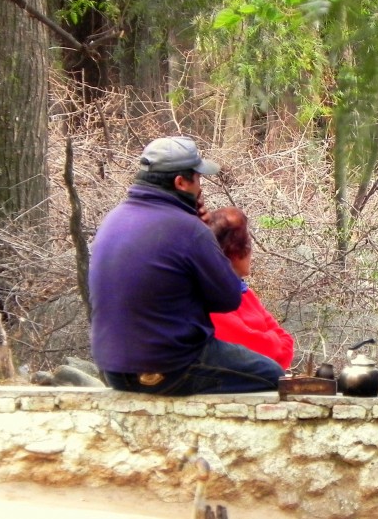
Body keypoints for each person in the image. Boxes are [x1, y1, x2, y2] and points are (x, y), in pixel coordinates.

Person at [89, 136, 284, 395]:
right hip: (171, 368)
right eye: (198, 178)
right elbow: (227, 298)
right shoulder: (188, 229)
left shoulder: (114, 219)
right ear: (181, 182)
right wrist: (204, 233)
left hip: (114, 370)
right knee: (274, 375)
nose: (200, 186)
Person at [208, 207, 294, 370]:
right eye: (247, 244)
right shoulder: (212, 297)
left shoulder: (246, 293)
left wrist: (266, 342)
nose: (250, 252)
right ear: (233, 251)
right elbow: (248, 347)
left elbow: (287, 343)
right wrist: (272, 342)